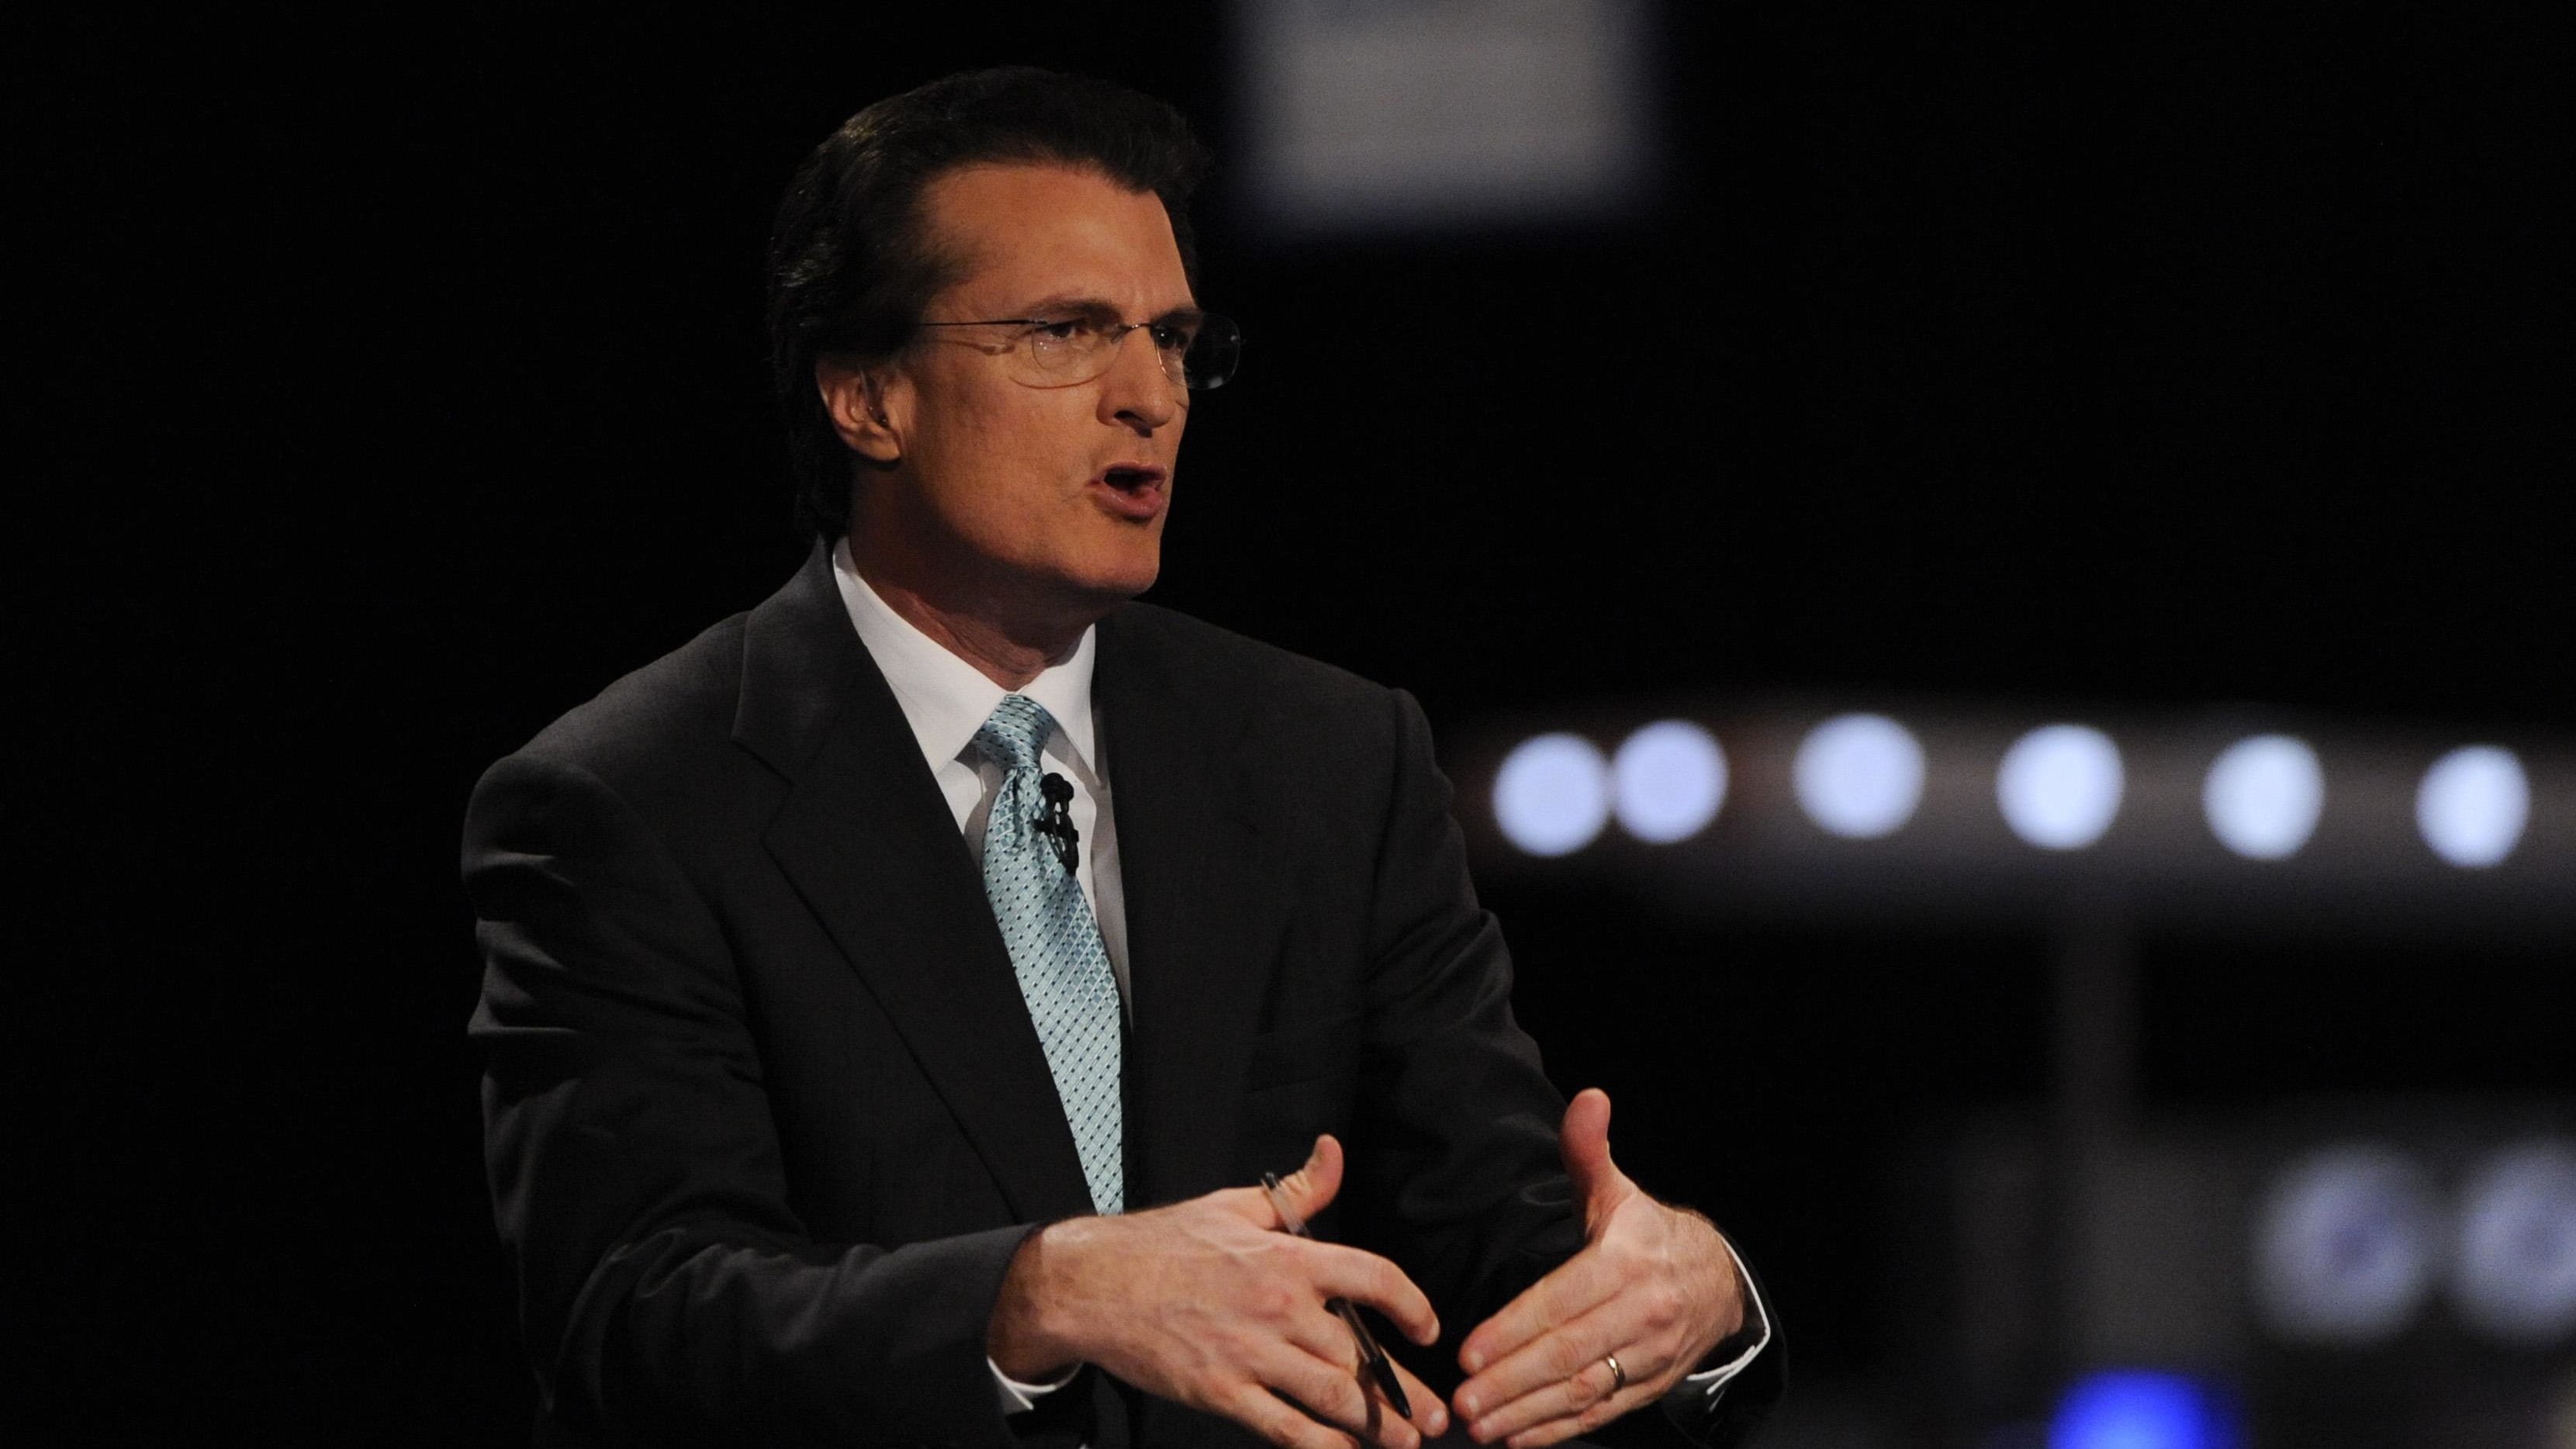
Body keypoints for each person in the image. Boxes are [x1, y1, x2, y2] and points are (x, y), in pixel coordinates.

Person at [466, 67, 1779, 1449]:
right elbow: (636, 1323)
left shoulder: (1330, 758)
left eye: (1173, 340)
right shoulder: (633, 801)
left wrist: (1690, 1302)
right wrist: (1040, 1292)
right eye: (1064, 333)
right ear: (865, 395)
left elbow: (1505, 1256)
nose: (1149, 397)